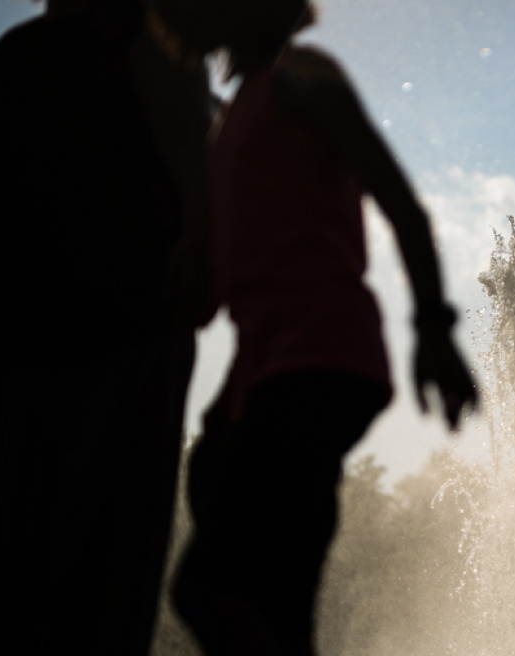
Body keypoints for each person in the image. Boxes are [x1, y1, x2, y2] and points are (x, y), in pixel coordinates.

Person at [162, 2, 478, 654]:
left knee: (207, 589)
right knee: (275, 597)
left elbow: (397, 199)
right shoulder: (231, 119)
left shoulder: (299, 76)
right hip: (271, 369)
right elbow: (210, 295)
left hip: (321, 357)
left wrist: (433, 327)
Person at [0, 0, 213, 653]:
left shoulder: (27, 53)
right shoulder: (152, 49)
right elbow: (199, 210)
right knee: (99, 583)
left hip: (37, 350)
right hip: (121, 347)